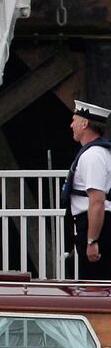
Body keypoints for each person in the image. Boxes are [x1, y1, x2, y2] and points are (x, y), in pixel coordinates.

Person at [61, 100, 111, 280]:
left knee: (95, 288)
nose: (71, 124)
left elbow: (97, 201)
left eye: (74, 120)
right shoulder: (100, 153)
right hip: (94, 226)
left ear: (85, 123)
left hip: (98, 227)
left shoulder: (92, 156)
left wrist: (92, 240)